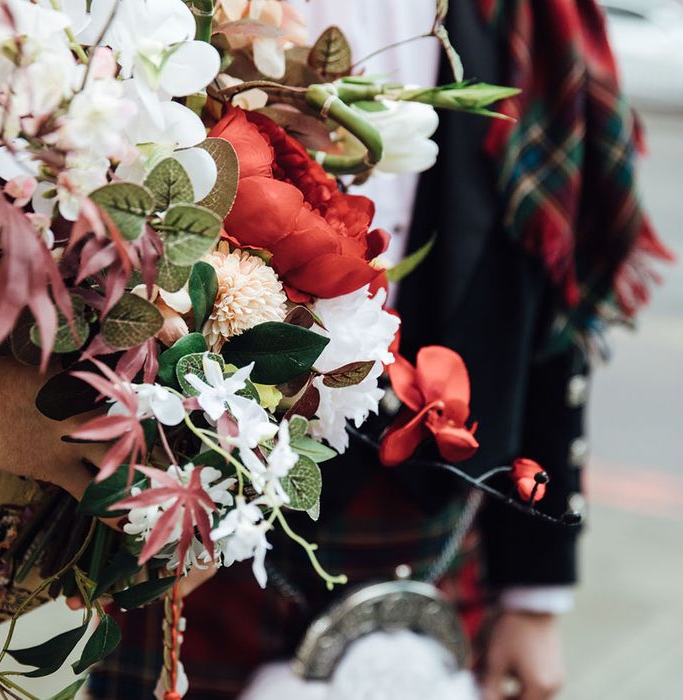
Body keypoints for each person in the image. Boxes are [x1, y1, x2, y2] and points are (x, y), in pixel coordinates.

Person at [86, 1, 670, 699]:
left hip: (431, 527)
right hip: (198, 524)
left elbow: (551, 296)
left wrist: (535, 590)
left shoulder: (527, 17)